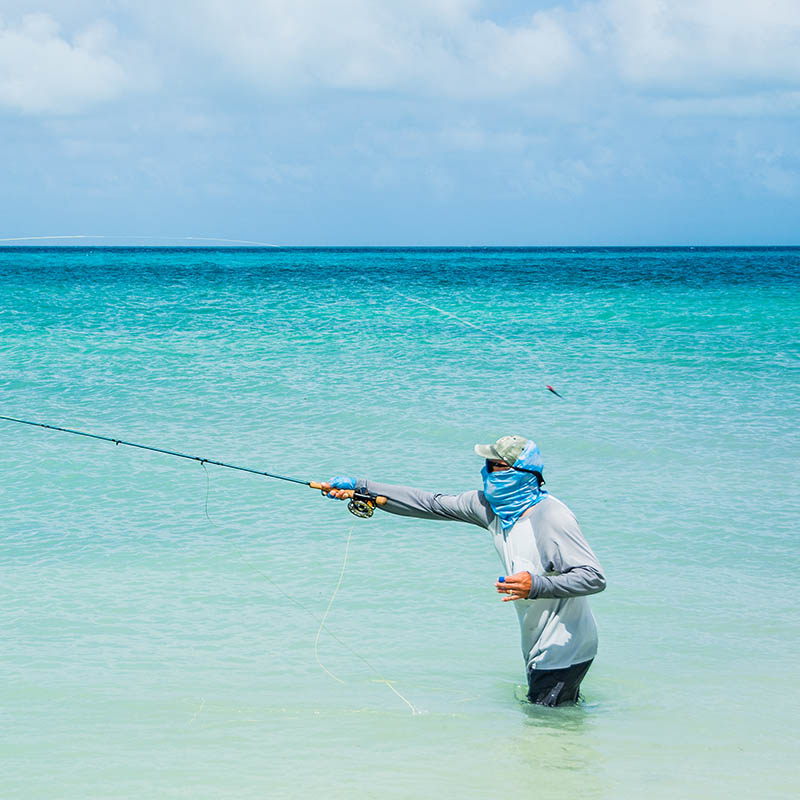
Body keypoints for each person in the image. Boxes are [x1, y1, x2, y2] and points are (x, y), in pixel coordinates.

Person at [321, 435, 606, 706]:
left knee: (545, 731)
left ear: (524, 473)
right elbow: (429, 504)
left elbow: (593, 576)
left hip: (563, 649)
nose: (491, 474)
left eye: (499, 467)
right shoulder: (491, 508)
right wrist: (362, 487)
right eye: (489, 466)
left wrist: (536, 585)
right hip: (540, 644)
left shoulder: (551, 517)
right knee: (558, 722)